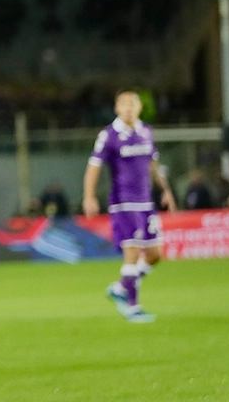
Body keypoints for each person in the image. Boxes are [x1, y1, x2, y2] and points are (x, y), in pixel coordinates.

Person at [83, 90, 177, 323]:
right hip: (123, 203)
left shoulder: (146, 131)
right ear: (116, 109)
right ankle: (133, 307)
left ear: (139, 108)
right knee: (133, 252)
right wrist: (89, 196)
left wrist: (165, 190)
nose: (128, 108)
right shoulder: (109, 135)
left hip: (146, 202)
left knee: (155, 254)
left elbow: (153, 164)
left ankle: (121, 287)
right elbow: (94, 166)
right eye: (124, 104)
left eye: (132, 104)